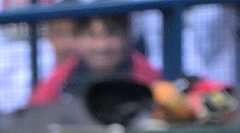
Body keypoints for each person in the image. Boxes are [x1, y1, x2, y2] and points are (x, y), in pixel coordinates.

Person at [29, 13, 160, 106]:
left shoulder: (147, 75)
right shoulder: (61, 78)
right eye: (91, 35)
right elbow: (35, 112)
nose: (101, 46)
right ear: (77, 39)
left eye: (111, 34)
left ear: (126, 36)